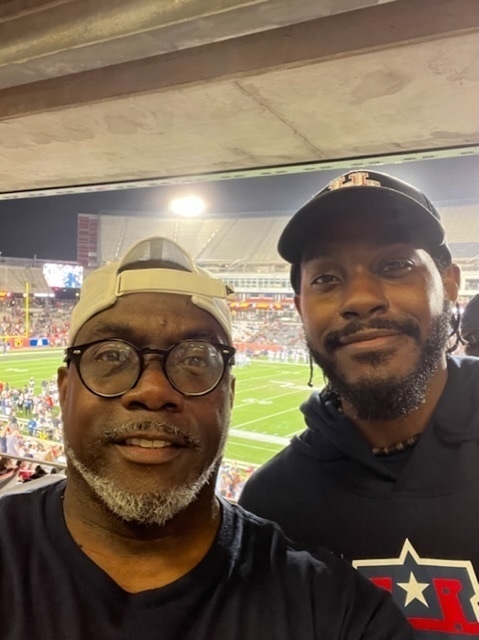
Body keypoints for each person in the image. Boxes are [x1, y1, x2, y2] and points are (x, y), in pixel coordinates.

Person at [0, 236, 411, 639]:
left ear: (229, 396)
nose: (153, 390)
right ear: (65, 391)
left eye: (196, 358)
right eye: (111, 355)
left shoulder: (337, 613)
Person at [239, 171, 479, 637]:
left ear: (450, 283)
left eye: (395, 265)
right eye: (327, 278)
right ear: (300, 307)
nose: (362, 299)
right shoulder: (272, 505)